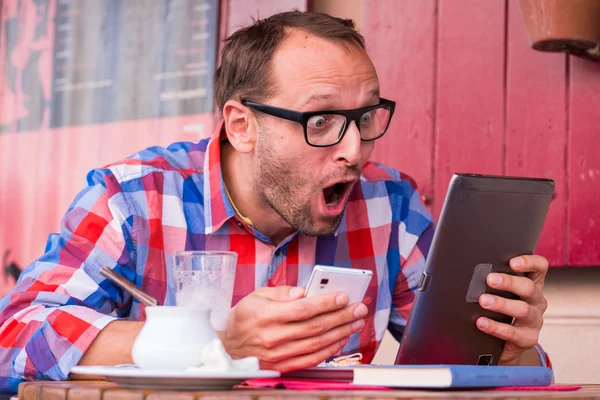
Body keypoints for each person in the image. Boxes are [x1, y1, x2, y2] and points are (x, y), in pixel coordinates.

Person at [0, 11, 551, 395]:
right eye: (322, 121)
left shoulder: (391, 205)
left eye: (364, 117)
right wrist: (214, 340)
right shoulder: (135, 198)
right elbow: (16, 336)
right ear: (242, 126)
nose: (355, 150)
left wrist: (511, 348)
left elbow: (467, 371)